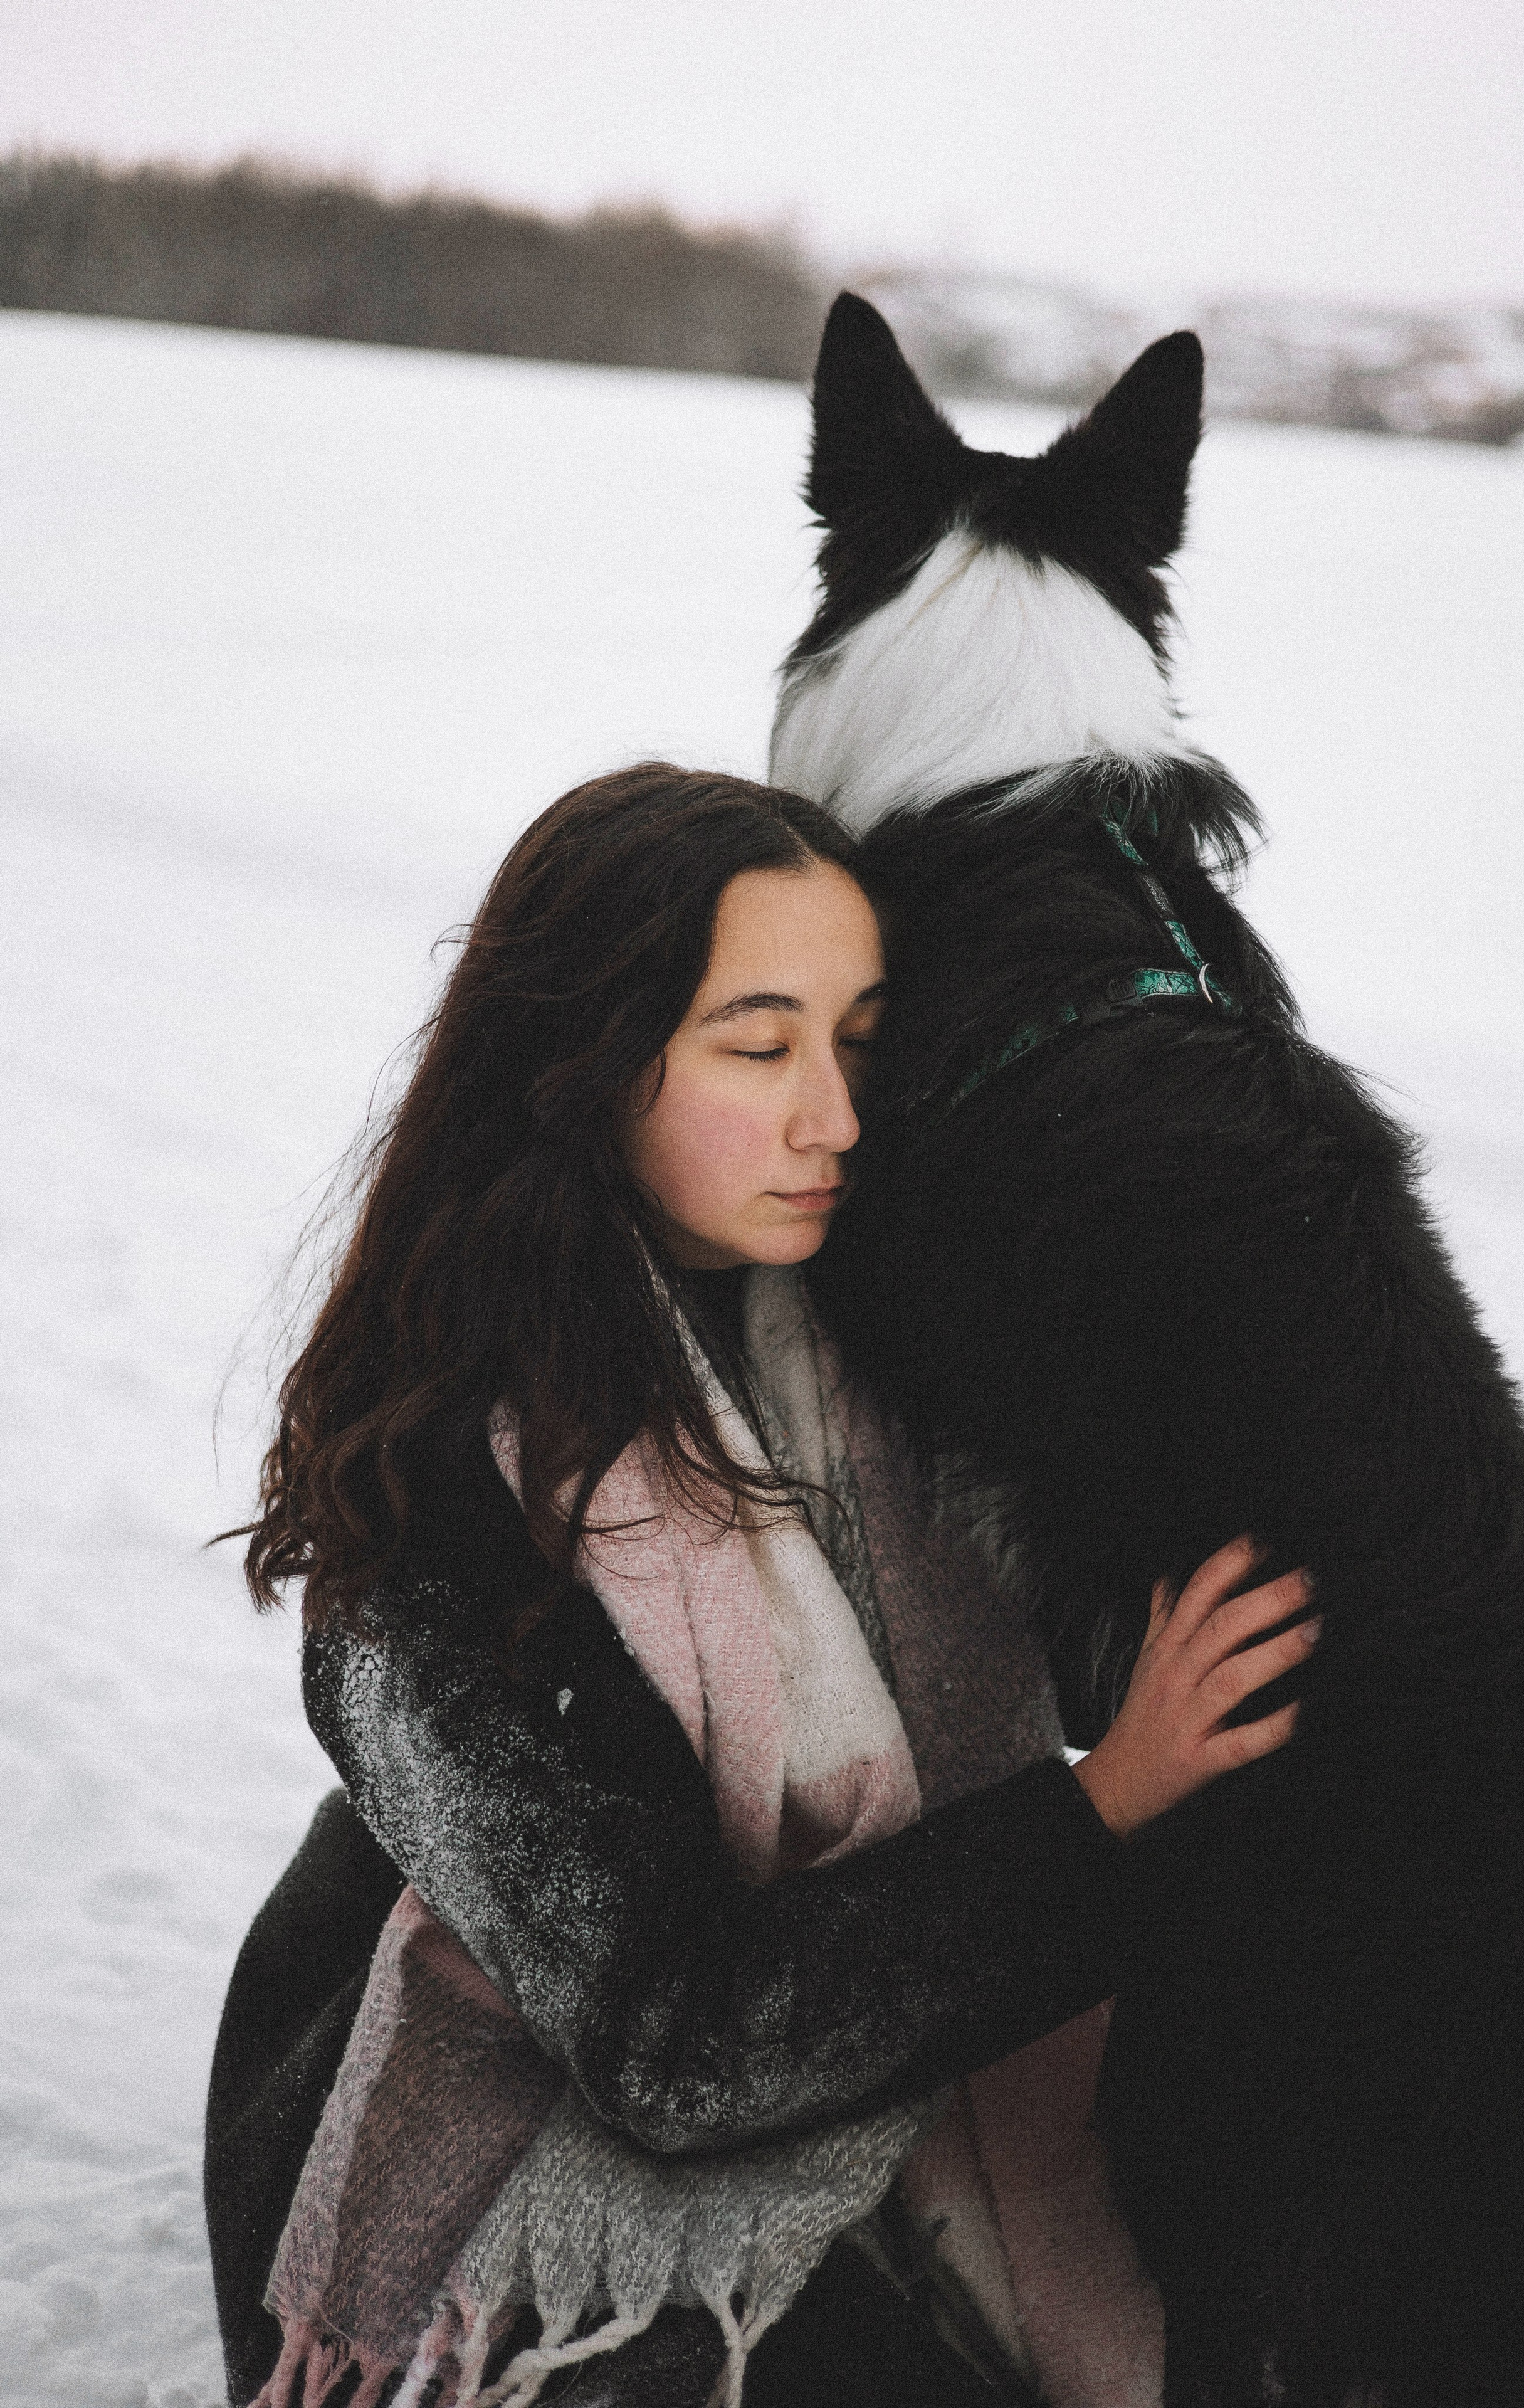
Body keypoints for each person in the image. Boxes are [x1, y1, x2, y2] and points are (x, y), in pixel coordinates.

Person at [204, 763, 1316, 2408]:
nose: (835, 1119)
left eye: (860, 1041)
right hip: (515, 2173)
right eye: (758, 1042)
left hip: (890, 2085)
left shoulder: (875, 1348)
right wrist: (1106, 1811)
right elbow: (671, 2042)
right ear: (584, 1066)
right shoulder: (437, 1508)